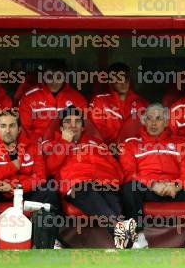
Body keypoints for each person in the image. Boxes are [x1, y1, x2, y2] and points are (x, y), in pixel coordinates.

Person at [118, 103, 185, 249]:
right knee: (129, 187)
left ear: (166, 122)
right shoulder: (131, 144)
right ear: (144, 121)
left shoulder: (180, 142)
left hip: (175, 189)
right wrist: (153, 184)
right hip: (148, 189)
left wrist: (176, 185)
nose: (153, 123)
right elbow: (129, 173)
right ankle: (138, 237)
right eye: (149, 118)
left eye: (158, 118)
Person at [42, 105, 134, 249]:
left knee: (111, 198)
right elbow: (48, 169)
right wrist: (64, 142)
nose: (73, 125)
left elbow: (115, 167)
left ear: (83, 127)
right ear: (60, 128)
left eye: (77, 121)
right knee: (87, 190)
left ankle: (120, 236)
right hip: (76, 184)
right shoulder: (52, 144)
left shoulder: (97, 144)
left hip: (105, 183)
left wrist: (114, 181)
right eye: (68, 121)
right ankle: (119, 228)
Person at [0, 109, 59, 219]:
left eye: (12, 126)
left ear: (19, 129)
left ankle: (43, 234)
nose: (7, 130)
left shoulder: (32, 146)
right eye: (3, 126)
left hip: (24, 189)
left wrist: (14, 187)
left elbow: (40, 177)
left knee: (49, 191)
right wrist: (12, 166)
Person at [18, 60, 87, 143]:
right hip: (37, 147)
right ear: (44, 77)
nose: (54, 82)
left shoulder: (78, 99)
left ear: (65, 77)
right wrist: (40, 143)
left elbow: (84, 129)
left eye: (58, 77)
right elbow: (23, 129)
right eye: (50, 77)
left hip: (69, 145)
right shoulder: (29, 97)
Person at [88, 62, 148, 145]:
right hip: (107, 151)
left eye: (126, 78)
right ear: (110, 81)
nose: (123, 83)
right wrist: (115, 145)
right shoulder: (99, 101)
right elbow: (96, 131)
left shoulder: (141, 103)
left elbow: (147, 130)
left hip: (134, 151)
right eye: (118, 79)